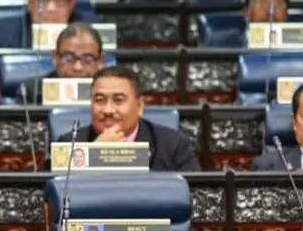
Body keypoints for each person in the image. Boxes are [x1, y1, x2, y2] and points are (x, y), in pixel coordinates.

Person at [54, 66, 199, 172]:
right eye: (99, 100)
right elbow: (55, 201)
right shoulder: (68, 145)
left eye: (118, 100)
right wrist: (93, 155)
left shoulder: (173, 146)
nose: (108, 110)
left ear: (140, 105)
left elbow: (193, 199)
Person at [22, 23, 105, 104]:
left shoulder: (111, 92)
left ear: (100, 60)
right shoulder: (31, 91)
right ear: (55, 57)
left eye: (87, 59)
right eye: (68, 58)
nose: (77, 67)